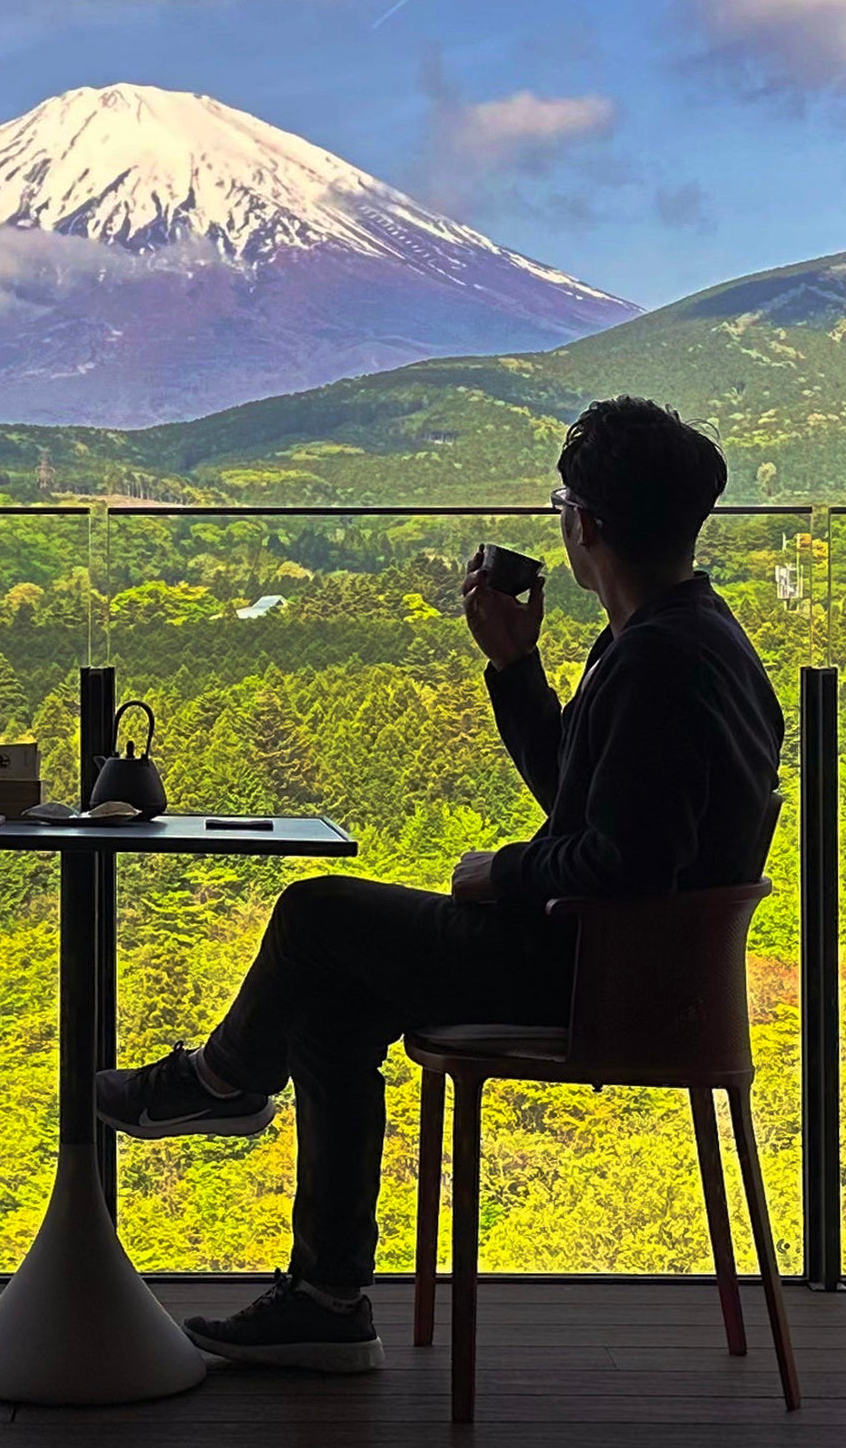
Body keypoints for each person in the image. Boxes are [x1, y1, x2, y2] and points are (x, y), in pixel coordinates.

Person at [94, 397, 784, 1372]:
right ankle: (326, 1298)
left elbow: (625, 863)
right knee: (331, 998)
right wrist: (515, 668)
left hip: (580, 974)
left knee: (312, 909)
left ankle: (220, 1080)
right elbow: (589, 808)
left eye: (561, 505)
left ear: (583, 523)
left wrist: (497, 870)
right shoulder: (692, 637)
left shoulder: (657, 660)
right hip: (628, 971)